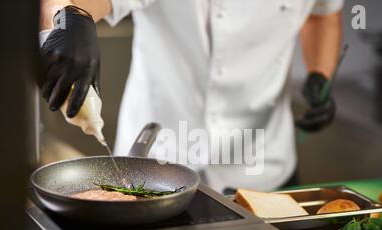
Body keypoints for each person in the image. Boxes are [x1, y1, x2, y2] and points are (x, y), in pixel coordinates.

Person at [40, 0, 343, 193]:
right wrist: (70, 20)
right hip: (152, 167)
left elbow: (323, 16)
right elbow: (66, 4)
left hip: (264, 165)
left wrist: (320, 73)